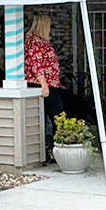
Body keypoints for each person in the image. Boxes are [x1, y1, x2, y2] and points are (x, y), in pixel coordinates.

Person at [25, 14, 63, 159]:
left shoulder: (38, 41)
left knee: (53, 118)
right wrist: (44, 85)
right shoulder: (34, 42)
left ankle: (52, 150)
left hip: (49, 83)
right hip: (42, 85)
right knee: (56, 117)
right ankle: (54, 150)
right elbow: (36, 65)